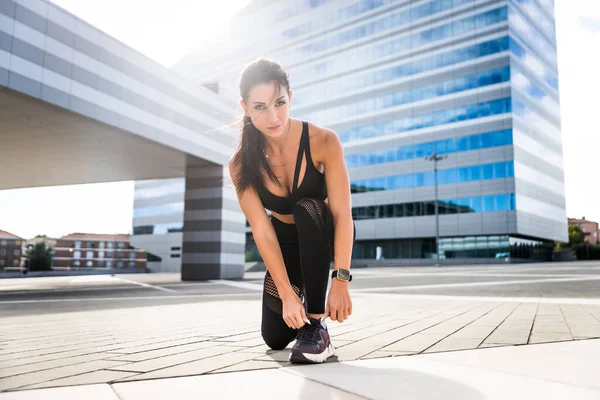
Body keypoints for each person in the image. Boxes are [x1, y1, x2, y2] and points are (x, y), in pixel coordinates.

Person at [228, 58, 356, 364]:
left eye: (280, 103)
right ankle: (301, 299)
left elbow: (342, 215)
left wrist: (340, 280)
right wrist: (286, 293)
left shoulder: (324, 141)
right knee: (274, 337)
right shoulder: (241, 164)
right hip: (284, 245)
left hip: (321, 232)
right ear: (245, 107)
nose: (273, 116)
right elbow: (262, 230)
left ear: (290, 97)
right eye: (260, 107)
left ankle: (317, 328)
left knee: (307, 207)